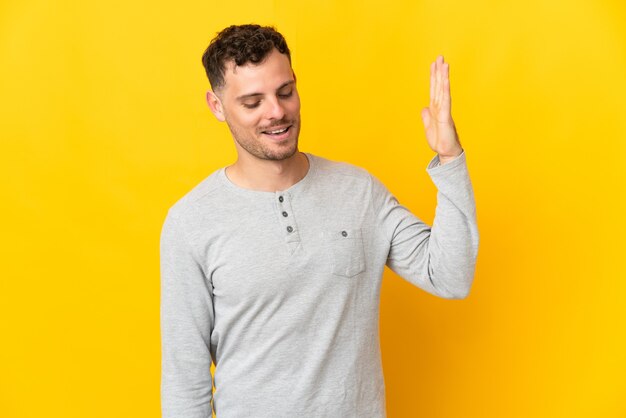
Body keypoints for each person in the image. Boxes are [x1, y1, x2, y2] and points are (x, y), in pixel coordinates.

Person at [160, 24, 479, 418]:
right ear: (217, 106)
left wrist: (450, 158)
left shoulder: (358, 191)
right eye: (252, 101)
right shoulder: (190, 222)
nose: (276, 112)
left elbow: (450, 275)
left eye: (284, 92)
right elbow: (184, 382)